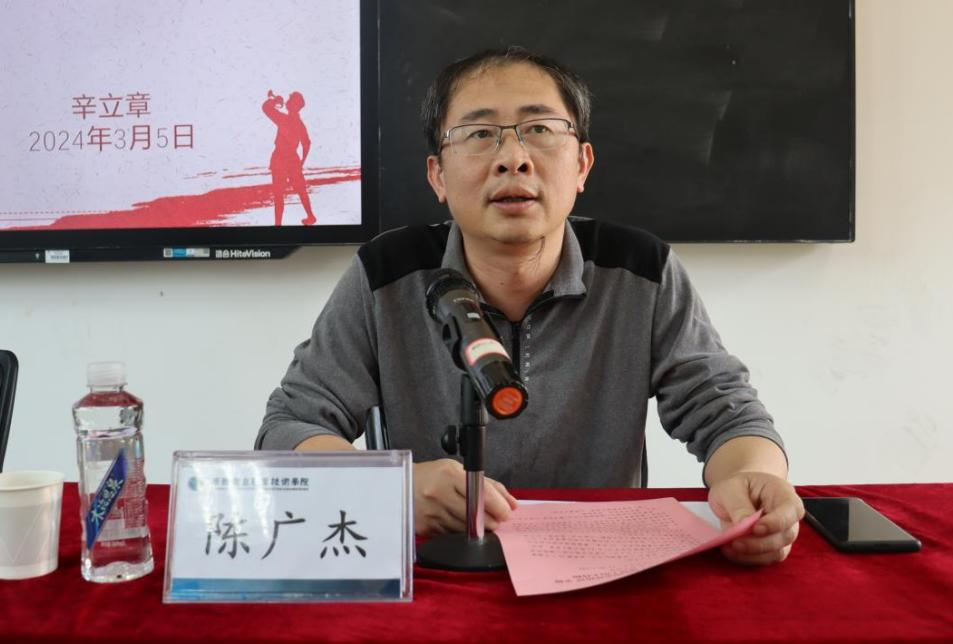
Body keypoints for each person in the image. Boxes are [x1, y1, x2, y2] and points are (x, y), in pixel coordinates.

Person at [257, 48, 803, 565]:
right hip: (440, 567)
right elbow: (290, 426)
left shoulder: (641, 270)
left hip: (597, 567)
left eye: (540, 130)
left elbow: (727, 412)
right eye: (480, 134)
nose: (512, 160)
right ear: (438, 176)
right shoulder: (387, 274)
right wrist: (387, 489)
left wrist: (753, 479)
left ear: (582, 164)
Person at [262, 90, 317, 226]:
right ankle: (310, 216)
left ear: (294, 105)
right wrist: (302, 161)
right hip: (292, 159)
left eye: (290, 100)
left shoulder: (283, 119)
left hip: (280, 158)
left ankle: (278, 224)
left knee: (279, 195)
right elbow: (307, 144)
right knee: (301, 190)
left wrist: (274, 101)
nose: (287, 102)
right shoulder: (299, 124)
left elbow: (265, 108)